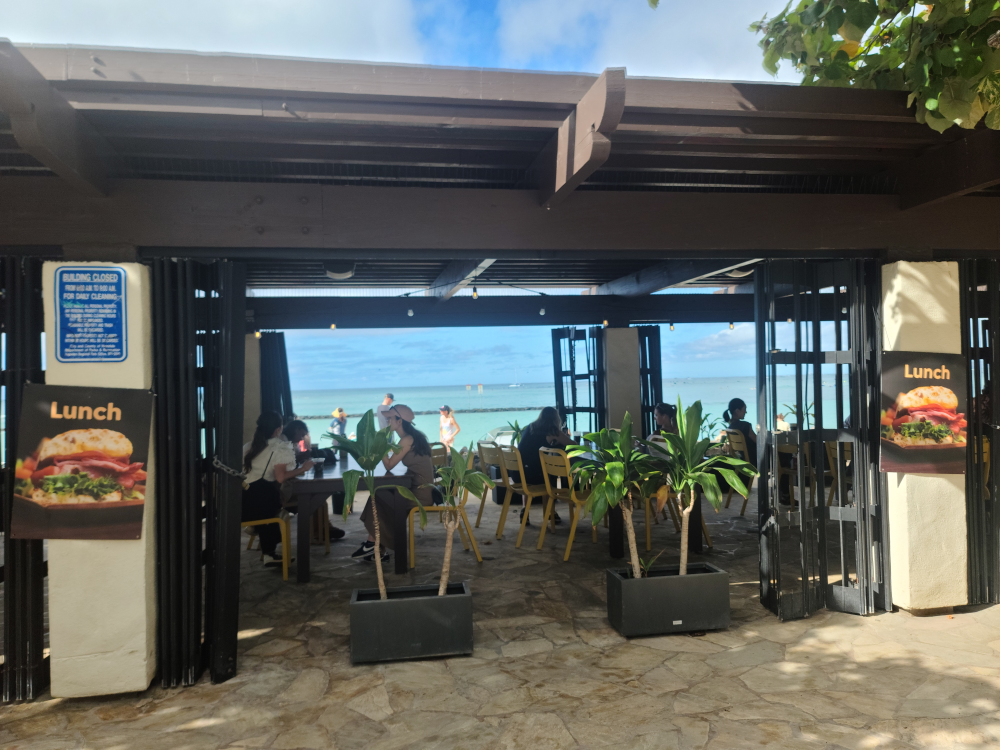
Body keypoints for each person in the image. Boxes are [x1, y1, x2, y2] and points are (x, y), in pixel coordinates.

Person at [352, 404, 436, 562]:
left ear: (399, 421)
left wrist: (379, 444)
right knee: (381, 496)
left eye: (390, 418)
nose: (387, 421)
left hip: (420, 494)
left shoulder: (407, 440)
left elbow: (389, 465)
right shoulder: (412, 437)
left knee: (381, 498)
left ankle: (373, 544)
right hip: (420, 488)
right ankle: (375, 546)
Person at [243, 411, 314, 567]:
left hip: (243, 502)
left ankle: (268, 553)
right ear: (278, 429)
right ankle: (269, 553)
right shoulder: (279, 448)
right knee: (273, 508)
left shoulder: (248, 446)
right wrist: (303, 469)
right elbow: (281, 477)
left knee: (269, 509)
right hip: (262, 502)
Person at [283, 419, 346, 541]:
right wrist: (302, 464)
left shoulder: (289, 443)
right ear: (296, 430)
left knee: (318, 495)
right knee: (315, 496)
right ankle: (319, 531)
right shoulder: (283, 445)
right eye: (301, 435)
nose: (301, 438)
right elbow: (284, 470)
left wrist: (301, 458)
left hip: (288, 484)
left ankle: (324, 528)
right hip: (284, 490)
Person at [516, 406, 577, 526]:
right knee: (550, 476)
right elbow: (573, 445)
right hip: (533, 476)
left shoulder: (531, 427)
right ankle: (551, 512)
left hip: (518, 474)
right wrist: (565, 437)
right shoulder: (552, 430)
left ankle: (525, 509)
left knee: (533, 471)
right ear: (555, 419)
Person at [723, 398, 757, 468]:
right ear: (737, 411)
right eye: (744, 409)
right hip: (755, 459)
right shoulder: (745, 426)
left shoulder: (731, 427)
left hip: (743, 459)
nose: (745, 412)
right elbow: (758, 442)